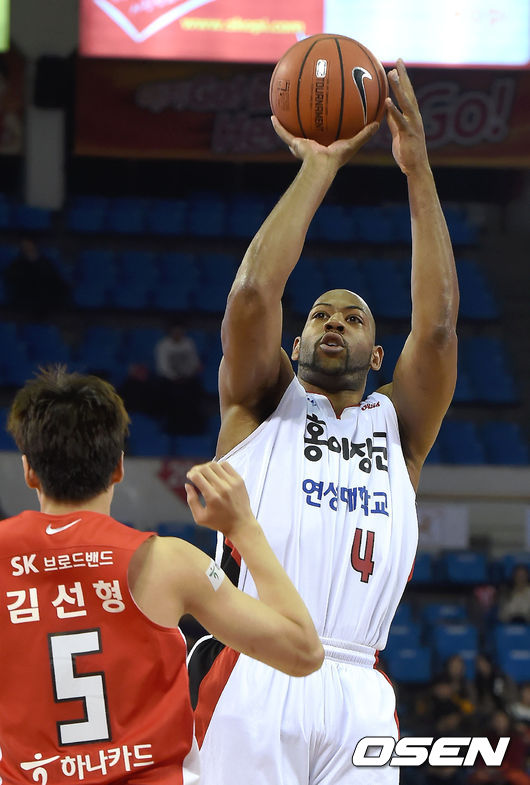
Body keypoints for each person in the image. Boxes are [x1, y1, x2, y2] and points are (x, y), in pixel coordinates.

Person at [188, 59, 459, 784]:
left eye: (352, 318)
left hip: (360, 690)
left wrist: (417, 169)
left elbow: (436, 330)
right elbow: (252, 293)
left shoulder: (399, 427)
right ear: (297, 340)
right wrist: (319, 165)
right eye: (318, 315)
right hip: (255, 669)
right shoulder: (258, 401)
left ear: (378, 354)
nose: (333, 322)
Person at [0, 367, 323, 784]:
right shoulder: (169, 562)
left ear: (29, 470)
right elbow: (303, 652)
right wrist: (243, 528)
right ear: (118, 468)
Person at [154, 323, 206, 435]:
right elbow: (163, 368)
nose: (178, 334)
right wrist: (175, 378)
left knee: (195, 392)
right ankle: (170, 428)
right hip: (169, 381)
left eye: (180, 331)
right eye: (175, 331)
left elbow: (194, 363)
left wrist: (187, 376)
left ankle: (195, 427)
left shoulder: (188, 343)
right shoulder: (163, 345)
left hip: (187, 380)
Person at [3, 236, 71, 316]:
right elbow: (11, 279)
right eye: (24, 247)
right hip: (24, 298)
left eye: (29, 246)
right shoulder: (17, 264)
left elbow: (55, 281)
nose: (27, 249)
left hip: (44, 299)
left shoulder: (46, 263)